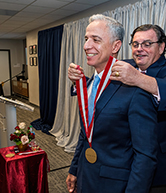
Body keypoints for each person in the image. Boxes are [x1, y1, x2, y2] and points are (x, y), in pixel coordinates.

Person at [66, 14, 159, 193]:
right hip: (86, 176)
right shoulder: (89, 84)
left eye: (96, 39)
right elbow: (86, 132)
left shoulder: (136, 89)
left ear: (116, 46)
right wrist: (75, 169)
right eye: (86, 39)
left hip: (116, 185)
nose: (86, 46)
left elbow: (145, 156)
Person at [109, 24, 166, 192]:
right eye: (135, 44)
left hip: (158, 162)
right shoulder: (124, 65)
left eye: (147, 44)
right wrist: (79, 83)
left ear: (161, 47)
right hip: (121, 157)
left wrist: (138, 78)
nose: (139, 49)